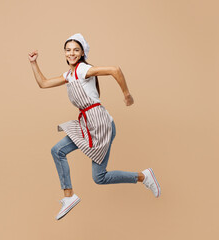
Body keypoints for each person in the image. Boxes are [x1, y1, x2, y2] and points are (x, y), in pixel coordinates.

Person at [28, 33, 161, 220]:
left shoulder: (82, 69)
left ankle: (144, 177)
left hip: (99, 124)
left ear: (82, 52)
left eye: (75, 50)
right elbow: (43, 83)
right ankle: (69, 196)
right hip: (87, 122)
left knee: (95, 175)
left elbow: (115, 69)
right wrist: (34, 63)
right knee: (59, 152)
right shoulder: (69, 75)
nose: (71, 53)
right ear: (64, 53)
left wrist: (127, 95)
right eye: (68, 50)